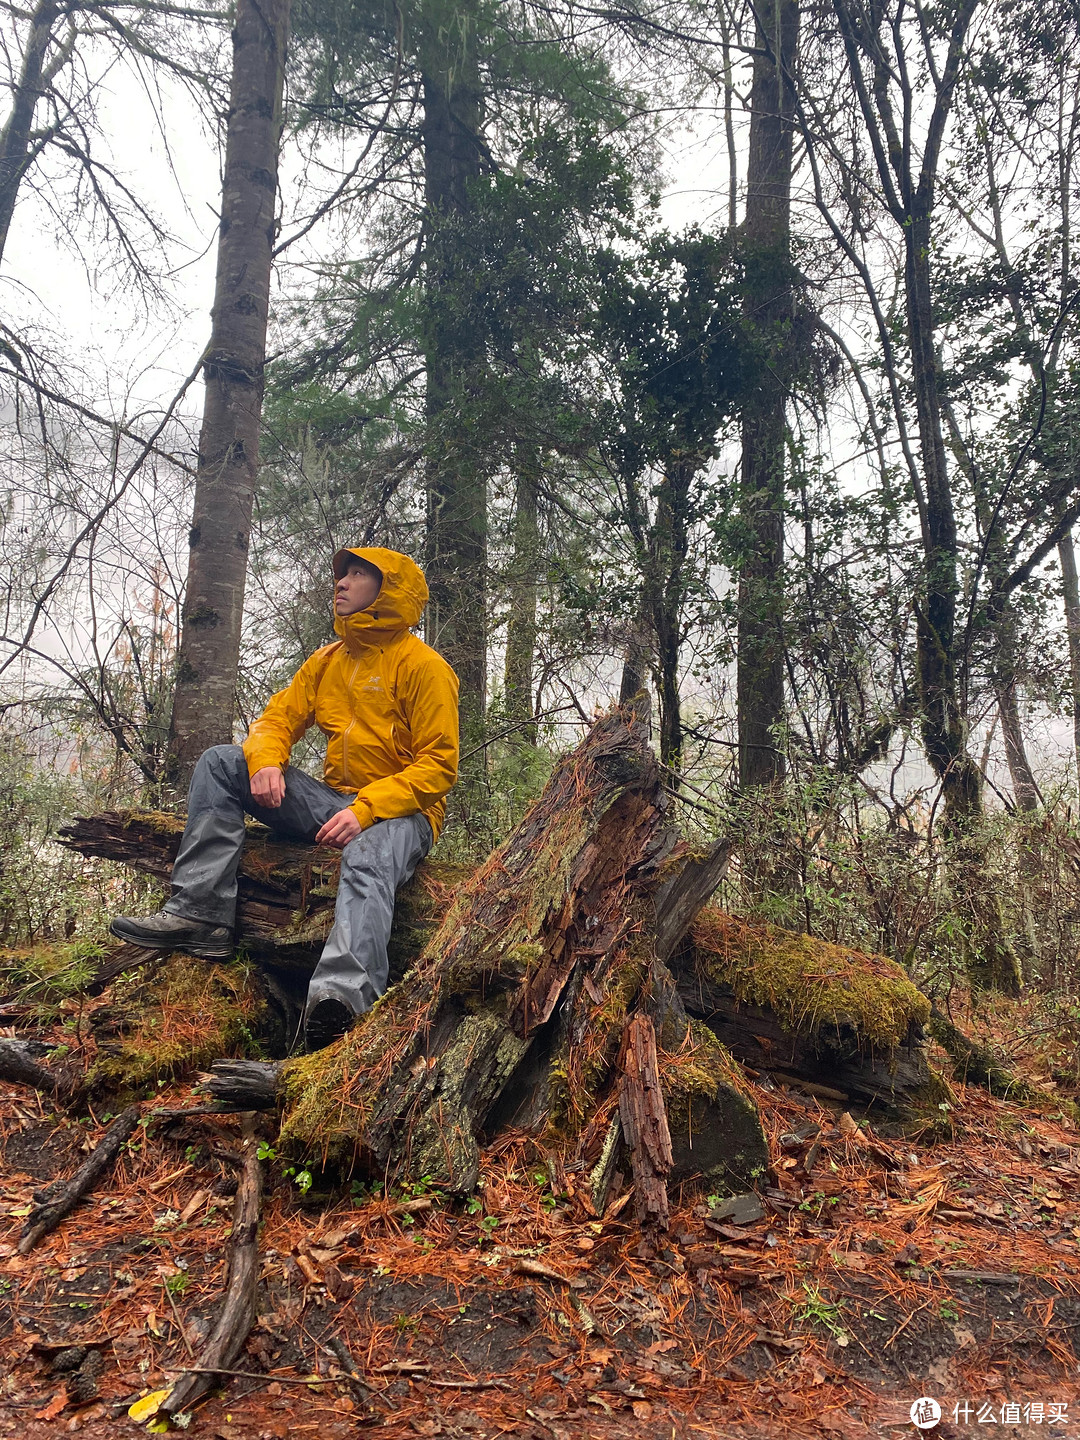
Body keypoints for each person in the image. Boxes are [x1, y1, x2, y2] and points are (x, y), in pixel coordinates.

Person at [110, 546, 460, 1051]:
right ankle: (199, 915)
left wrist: (367, 810)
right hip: (334, 801)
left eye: (358, 575)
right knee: (221, 763)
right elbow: (276, 719)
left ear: (389, 592)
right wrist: (267, 760)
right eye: (342, 574)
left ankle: (342, 998)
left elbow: (438, 766)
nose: (341, 583)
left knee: (366, 852)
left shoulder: (425, 668)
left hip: (404, 813)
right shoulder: (326, 661)